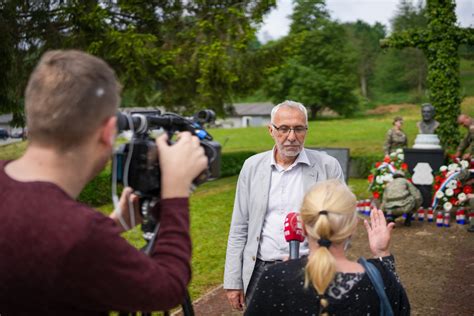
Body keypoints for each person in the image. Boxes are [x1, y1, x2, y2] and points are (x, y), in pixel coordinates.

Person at [0, 50, 208, 314]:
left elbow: (41, 251)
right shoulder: (79, 233)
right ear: (108, 131)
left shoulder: (74, 234)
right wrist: (175, 192)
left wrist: (111, 226)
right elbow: (166, 289)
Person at [224, 100, 345, 311]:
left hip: (310, 268)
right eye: (284, 129)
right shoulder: (252, 167)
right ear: (271, 130)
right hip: (260, 270)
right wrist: (233, 281)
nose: (291, 137)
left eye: (298, 129)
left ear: (306, 130)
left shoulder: (327, 167)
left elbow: (343, 223)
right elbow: (239, 226)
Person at [245, 179, 410, 315]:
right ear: (353, 226)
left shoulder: (276, 278)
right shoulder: (380, 279)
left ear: (302, 226)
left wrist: (289, 269)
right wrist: (382, 254)